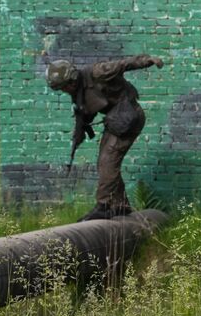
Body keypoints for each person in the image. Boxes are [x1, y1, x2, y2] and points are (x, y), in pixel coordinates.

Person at [45, 55, 164, 221]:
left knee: (108, 160)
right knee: (106, 162)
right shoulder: (77, 91)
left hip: (128, 116)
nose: (66, 90)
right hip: (115, 119)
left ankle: (105, 205)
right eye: (62, 88)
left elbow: (123, 64)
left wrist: (149, 60)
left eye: (66, 86)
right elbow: (89, 108)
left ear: (72, 78)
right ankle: (120, 205)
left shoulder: (97, 73)